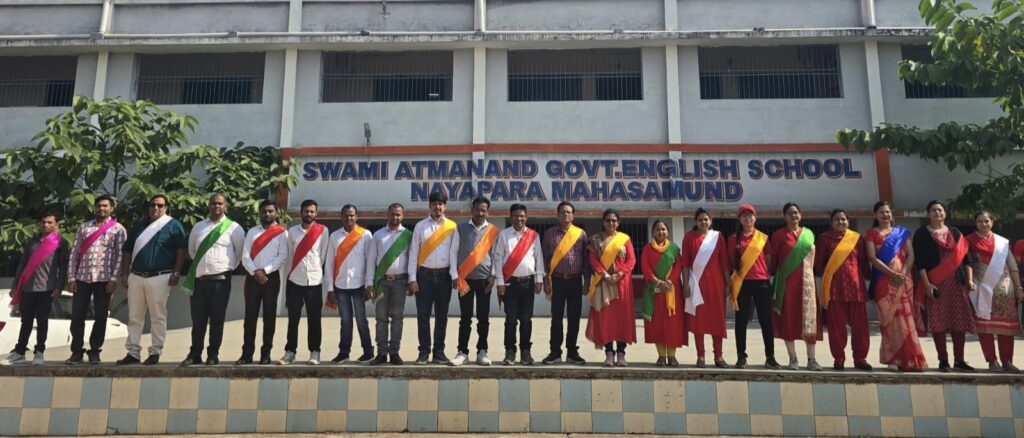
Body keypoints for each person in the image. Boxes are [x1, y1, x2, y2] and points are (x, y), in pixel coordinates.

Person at [117, 194, 187, 366]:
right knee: (134, 316)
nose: (156, 208)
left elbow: (181, 250)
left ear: (166, 208)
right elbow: (127, 250)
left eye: (160, 205)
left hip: (160, 276)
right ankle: (133, 352)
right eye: (153, 205)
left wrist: (176, 273)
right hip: (136, 276)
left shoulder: (173, 225)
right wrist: (124, 274)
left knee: (158, 316)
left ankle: (155, 351)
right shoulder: (139, 226)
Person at [912, 200, 975, 372]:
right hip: (935, 283)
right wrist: (927, 285)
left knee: (958, 322)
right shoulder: (922, 234)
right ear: (928, 214)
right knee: (938, 322)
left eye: (940, 210)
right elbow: (920, 262)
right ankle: (943, 361)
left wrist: (969, 280)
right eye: (933, 210)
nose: (937, 213)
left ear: (945, 213)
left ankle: (959, 361)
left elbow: (967, 259)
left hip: (956, 283)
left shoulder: (955, 232)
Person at [181, 193, 244, 366]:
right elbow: (192, 251)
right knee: (198, 320)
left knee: (217, 319)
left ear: (226, 206)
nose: (217, 206)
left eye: (220, 203)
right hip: (199, 280)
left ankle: (213, 354)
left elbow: (239, 253)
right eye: (213, 203)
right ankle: (195, 353)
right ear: (208, 205)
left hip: (221, 280)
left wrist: (225, 267)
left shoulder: (234, 227)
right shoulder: (198, 227)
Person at [865, 201, 927, 372]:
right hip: (883, 281)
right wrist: (892, 274)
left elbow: (911, 255)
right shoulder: (871, 234)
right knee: (888, 320)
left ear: (891, 214)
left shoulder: (902, 233)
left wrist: (903, 273)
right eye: (881, 212)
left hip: (903, 281)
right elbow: (872, 258)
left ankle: (910, 358)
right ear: (875, 215)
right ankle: (893, 358)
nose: (885, 215)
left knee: (906, 319)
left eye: (887, 212)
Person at [66, 195, 127, 365]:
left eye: (105, 206)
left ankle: (94, 351)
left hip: (104, 279)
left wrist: (114, 279)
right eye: (99, 206)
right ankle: (76, 352)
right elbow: (74, 253)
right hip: (82, 278)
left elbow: (120, 256)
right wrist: (71, 277)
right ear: (95, 208)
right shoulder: (84, 227)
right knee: (77, 316)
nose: (102, 209)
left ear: (111, 208)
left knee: (101, 317)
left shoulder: (118, 229)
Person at [3, 213, 69, 365]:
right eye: (43, 222)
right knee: (26, 321)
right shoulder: (31, 242)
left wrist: (59, 287)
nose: (46, 225)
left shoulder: (60, 243)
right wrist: (15, 285)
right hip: (27, 288)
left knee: (42, 322)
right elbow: (22, 264)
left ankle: (39, 352)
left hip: (47, 288)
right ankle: (20, 352)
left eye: (50, 222)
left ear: (56, 225)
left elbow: (63, 267)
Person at [407, 191, 460, 365]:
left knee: (441, 316)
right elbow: (413, 253)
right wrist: (412, 278)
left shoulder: (452, 226)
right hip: (424, 276)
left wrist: (454, 275)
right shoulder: (420, 226)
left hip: (444, 276)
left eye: (441, 204)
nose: (438, 207)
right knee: (423, 315)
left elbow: (454, 253)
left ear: (445, 207)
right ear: (429, 206)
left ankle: (439, 352)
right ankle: (423, 352)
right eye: (434, 203)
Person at [815, 209, 871, 371]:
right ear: (831, 222)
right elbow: (819, 263)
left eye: (843, 219)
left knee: (860, 327)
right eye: (837, 219)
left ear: (848, 221)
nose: (840, 222)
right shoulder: (824, 239)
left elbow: (863, 263)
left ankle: (860, 359)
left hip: (856, 289)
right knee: (837, 328)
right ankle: (839, 358)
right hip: (834, 290)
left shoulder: (856, 238)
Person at [966, 210, 1022, 372]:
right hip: (981, 286)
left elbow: (1012, 266)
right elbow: (967, 262)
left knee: (1006, 327)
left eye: (986, 221)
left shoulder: (1002, 242)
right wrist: (969, 280)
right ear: (975, 223)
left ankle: (1007, 361)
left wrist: (1018, 287)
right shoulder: (968, 240)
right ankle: (992, 361)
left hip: (1004, 288)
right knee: (985, 327)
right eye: (980, 221)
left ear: (992, 222)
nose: (983, 224)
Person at [769, 202, 822, 371]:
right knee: (788, 320)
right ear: (784, 216)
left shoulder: (808, 234)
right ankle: (793, 359)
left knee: (809, 319)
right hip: (787, 284)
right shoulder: (779, 235)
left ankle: (812, 359)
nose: (794, 216)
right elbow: (774, 261)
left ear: (801, 215)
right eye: (790, 213)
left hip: (807, 285)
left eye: (796, 212)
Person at [728, 204, 780, 370]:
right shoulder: (733, 238)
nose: (747, 218)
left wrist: (761, 271)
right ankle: (741, 357)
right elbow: (731, 260)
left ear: (755, 218)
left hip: (761, 282)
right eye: (744, 215)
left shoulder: (762, 237)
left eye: (750, 215)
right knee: (741, 321)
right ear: (739, 219)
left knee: (766, 320)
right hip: (742, 282)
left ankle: (770, 357)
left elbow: (769, 258)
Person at [236, 200, 288, 365]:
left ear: (276, 213)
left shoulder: (282, 233)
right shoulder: (252, 232)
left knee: (269, 317)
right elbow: (245, 256)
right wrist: (256, 272)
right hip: (253, 278)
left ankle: (266, 354)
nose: (267, 214)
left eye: (271, 211)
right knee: (250, 318)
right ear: (260, 213)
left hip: (271, 279)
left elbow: (282, 256)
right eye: (264, 211)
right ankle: (247, 354)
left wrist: (265, 271)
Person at [280, 199, 329, 365]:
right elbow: (290, 254)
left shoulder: (323, 230)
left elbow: (322, 256)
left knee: (314, 319)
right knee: (293, 319)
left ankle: (315, 352)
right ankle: (290, 352)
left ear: (316, 213)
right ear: (301, 213)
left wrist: (315, 271)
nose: (309, 214)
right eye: (306, 211)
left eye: (312, 211)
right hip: (295, 279)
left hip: (314, 281)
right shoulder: (292, 232)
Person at [494, 204, 544, 365]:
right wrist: (500, 281)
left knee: (526, 319)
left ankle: (525, 351)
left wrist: (539, 279)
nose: (519, 219)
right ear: (511, 217)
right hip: (510, 283)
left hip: (528, 283)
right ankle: (510, 351)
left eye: (522, 216)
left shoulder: (533, 235)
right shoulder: (504, 235)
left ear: (526, 217)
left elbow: (539, 258)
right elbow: (497, 258)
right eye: (516, 216)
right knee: (511, 319)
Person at [586, 209, 636, 367]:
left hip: (622, 284)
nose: (611, 223)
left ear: (618, 223)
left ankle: (621, 353)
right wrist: (605, 275)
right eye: (608, 220)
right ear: (603, 222)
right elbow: (593, 260)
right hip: (603, 282)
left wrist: (619, 274)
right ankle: (609, 353)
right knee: (605, 318)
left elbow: (631, 260)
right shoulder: (595, 240)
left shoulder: (624, 239)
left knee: (622, 319)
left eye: (614, 220)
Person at [541, 201, 590, 365]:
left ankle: (572, 352)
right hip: (557, 281)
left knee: (574, 318)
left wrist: (587, 281)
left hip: (575, 281)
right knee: (556, 318)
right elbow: (544, 259)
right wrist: (546, 281)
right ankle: (555, 352)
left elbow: (586, 261)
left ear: (573, 215)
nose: (565, 214)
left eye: (568, 212)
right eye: (562, 212)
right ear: (557, 214)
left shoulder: (581, 234)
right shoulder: (549, 234)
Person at [325, 204, 374, 364]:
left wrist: (369, 284)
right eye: (346, 215)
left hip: (359, 285)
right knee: (345, 321)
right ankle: (344, 353)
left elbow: (370, 261)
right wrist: (330, 288)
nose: (349, 218)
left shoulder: (365, 235)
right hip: (340, 286)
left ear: (356, 216)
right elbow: (329, 263)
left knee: (361, 320)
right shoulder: (334, 236)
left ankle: (368, 352)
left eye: (352, 215)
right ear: (341, 217)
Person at [452, 197, 498, 366]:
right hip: (465, 280)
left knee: (483, 318)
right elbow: (454, 252)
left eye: (483, 210)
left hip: (484, 281)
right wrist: (454, 275)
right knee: (465, 318)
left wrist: (493, 276)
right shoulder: (461, 228)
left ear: (488, 212)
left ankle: (482, 351)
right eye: (477, 209)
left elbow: (496, 256)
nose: (480, 213)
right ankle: (462, 352)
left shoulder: (493, 231)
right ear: (471, 210)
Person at [681, 208, 730, 368]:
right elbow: (685, 263)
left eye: (706, 219)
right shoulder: (689, 237)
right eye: (700, 219)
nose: (703, 222)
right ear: (696, 222)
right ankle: (700, 356)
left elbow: (724, 262)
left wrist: (728, 283)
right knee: (698, 321)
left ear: (710, 221)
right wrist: (685, 284)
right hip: (697, 284)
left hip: (716, 284)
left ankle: (718, 356)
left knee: (717, 320)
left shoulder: (717, 237)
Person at [366, 203, 413, 365]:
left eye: (398, 214)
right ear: (387, 215)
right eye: (392, 214)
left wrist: (411, 280)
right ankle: (381, 353)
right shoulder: (378, 235)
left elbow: (412, 260)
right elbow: (371, 261)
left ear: (403, 216)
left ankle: (394, 353)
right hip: (382, 282)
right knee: (381, 318)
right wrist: (369, 284)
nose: (395, 217)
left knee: (397, 318)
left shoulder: (408, 236)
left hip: (400, 282)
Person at [640, 220, 685, 367]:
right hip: (655, 290)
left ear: (668, 232)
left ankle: (672, 356)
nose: (661, 232)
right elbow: (645, 267)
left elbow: (678, 267)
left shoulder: (674, 249)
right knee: (657, 324)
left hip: (672, 290)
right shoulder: (647, 249)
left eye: (663, 229)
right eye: (658, 230)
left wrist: (670, 281)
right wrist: (657, 281)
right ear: (653, 233)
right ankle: (661, 356)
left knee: (673, 324)